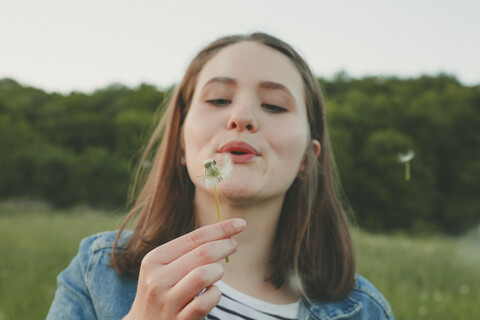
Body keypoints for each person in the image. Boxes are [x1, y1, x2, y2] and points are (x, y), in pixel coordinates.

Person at [47, 32, 394, 320]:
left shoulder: (365, 312)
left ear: (308, 158)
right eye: (217, 100)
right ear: (180, 143)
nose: (241, 117)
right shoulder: (98, 273)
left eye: (273, 105)